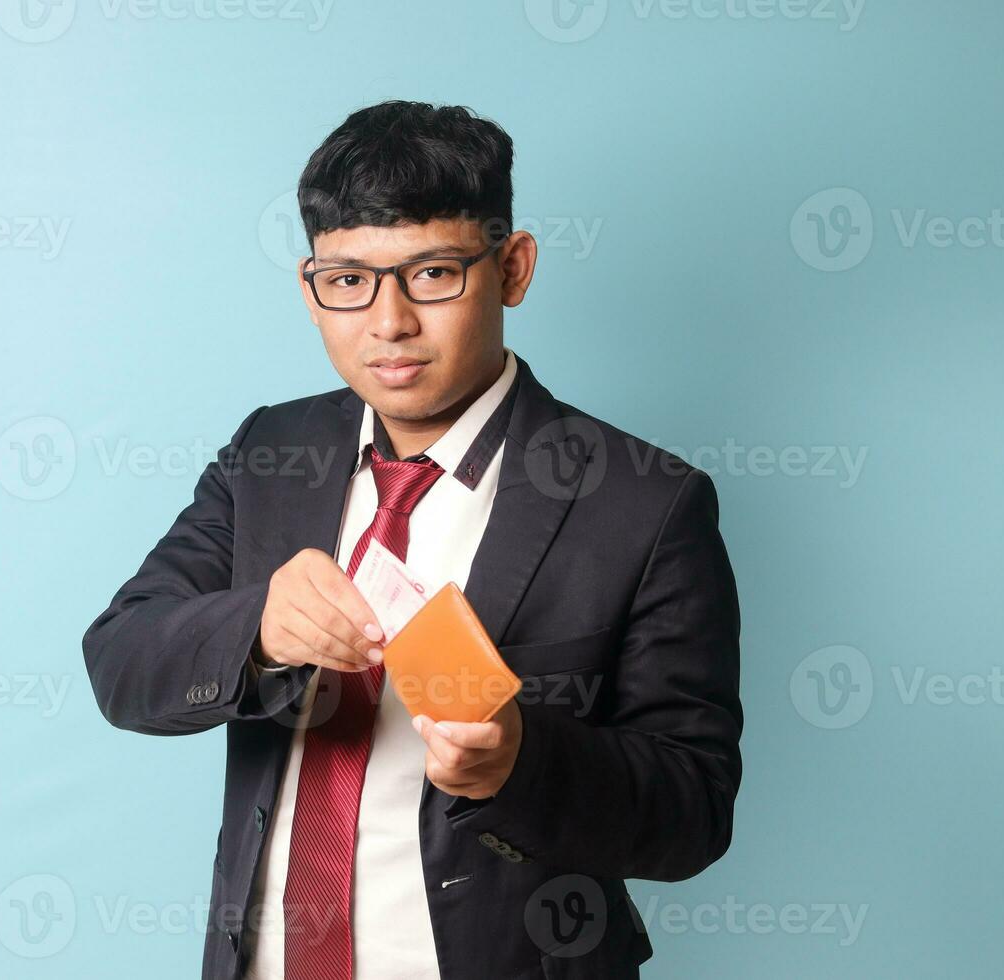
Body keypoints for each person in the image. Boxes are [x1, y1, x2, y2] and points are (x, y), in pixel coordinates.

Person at [82, 99, 742, 980]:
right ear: (310, 288)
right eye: (349, 281)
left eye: (432, 275)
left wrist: (520, 760)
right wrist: (258, 631)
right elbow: (122, 662)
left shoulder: (646, 502)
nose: (388, 323)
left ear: (512, 268)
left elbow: (693, 809)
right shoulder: (270, 452)